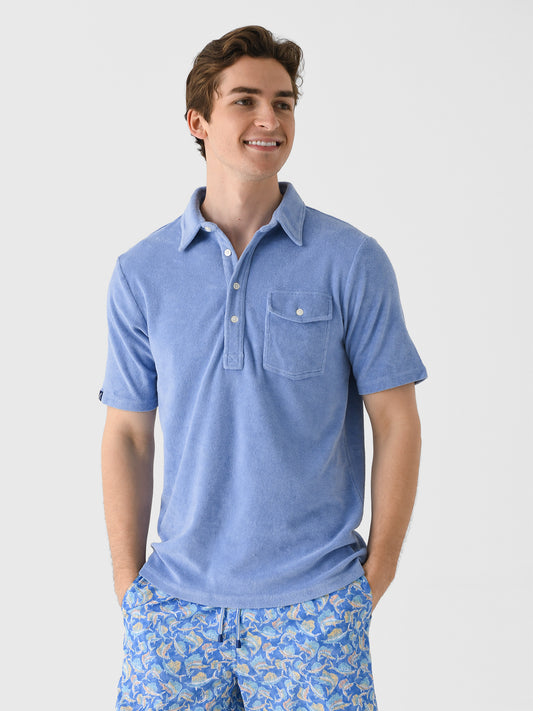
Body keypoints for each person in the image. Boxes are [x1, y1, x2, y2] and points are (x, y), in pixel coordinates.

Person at [100, 25, 427, 711]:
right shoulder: (141, 272)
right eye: (244, 101)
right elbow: (128, 434)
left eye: (282, 103)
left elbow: (396, 422)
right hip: (174, 610)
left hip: (314, 606)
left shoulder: (351, 260)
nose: (269, 120)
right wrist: (131, 588)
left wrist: (373, 577)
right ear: (198, 122)